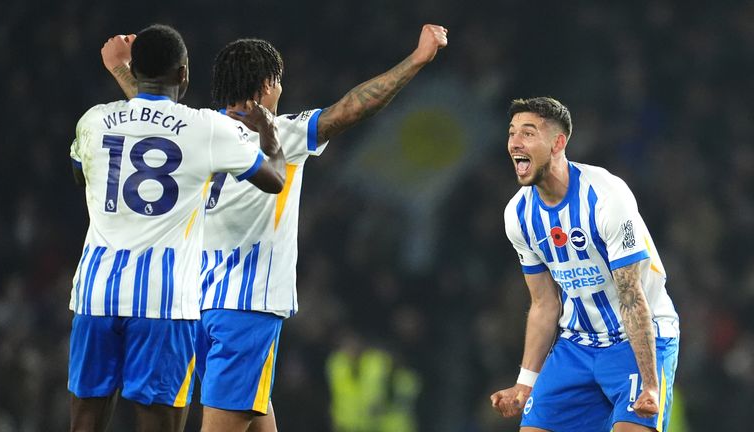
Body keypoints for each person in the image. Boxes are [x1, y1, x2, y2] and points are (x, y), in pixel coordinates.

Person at [100, 23, 448, 431]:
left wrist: (122, 71)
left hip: (192, 303)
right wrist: (417, 59)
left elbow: (153, 117)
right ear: (267, 85)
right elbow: (354, 106)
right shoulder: (280, 134)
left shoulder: (195, 130)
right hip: (246, 309)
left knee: (259, 417)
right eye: (278, 81)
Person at [69, 24, 286, 432]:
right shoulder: (204, 128)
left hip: (96, 292)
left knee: (84, 426)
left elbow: (82, 175)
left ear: (134, 70)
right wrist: (270, 133)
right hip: (163, 300)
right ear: (184, 74)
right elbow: (274, 178)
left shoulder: (94, 121)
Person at [489, 97, 679, 432]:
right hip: (577, 344)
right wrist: (524, 383)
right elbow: (544, 303)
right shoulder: (517, 216)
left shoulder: (606, 197)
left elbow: (632, 297)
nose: (515, 143)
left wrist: (651, 383)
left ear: (558, 143)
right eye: (512, 133)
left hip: (636, 341)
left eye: (528, 134)